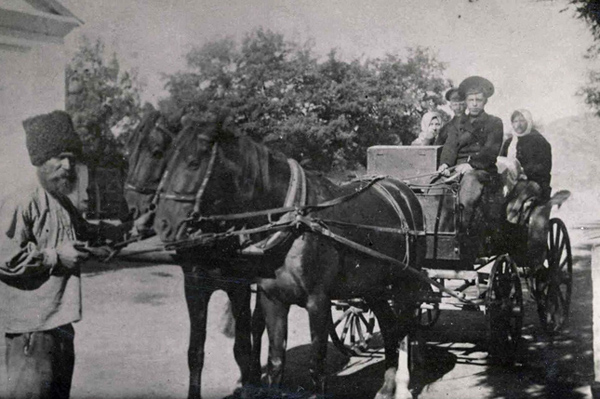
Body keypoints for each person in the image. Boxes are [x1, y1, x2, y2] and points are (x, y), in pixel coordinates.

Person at [0, 110, 151, 399]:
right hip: (32, 332)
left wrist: (131, 228)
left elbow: (87, 233)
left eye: (71, 157)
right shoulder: (22, 200)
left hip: (60, 327)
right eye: (59, 157)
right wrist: (56, 256)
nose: (68, 165)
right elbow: (5, 259)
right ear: (40, 160)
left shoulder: (61, 202)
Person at [436, 76, 504, 232]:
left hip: (482, 171)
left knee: (470, 182)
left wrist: (471, 164)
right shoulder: (457, 123)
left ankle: (460, 233)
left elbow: (490, 151)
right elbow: (450, 146)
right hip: (456, 170)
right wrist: (445, 164)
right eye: (471, 99)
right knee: (433, 186)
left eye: (478, 100)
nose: (474, 103)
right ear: (465, 101)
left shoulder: (494, 123)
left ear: (485, 101)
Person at [500, 109, 552, 200]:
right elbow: (501, 161)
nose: (518, 125)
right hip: (510, 182)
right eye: (515, 121)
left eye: (522, 121)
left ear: (528, 121)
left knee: (514, 206)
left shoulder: (539, 141)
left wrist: (522, 171)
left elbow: (544, 167)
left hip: (534, 182)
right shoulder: (509, 142)